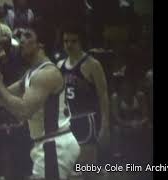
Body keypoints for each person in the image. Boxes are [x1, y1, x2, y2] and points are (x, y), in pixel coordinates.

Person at [0, 23, 80, 180]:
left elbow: (23, 111)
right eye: (21, 36)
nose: (21, 41)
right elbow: (4, 98)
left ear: (41, 44)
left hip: (54, 144)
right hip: (49, 144)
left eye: (28, 36)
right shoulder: (31, 73)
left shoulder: (46, 74)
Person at [57, 24, 110, 179]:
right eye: (66, 41)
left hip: (86, 121)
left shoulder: (92, 64)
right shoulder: (59, 65)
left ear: (81, 42)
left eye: (74, 41)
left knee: (88, 170)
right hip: (66, 122)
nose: (69, 45)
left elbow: (103, 95)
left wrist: (105, 124)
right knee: (71, 173)